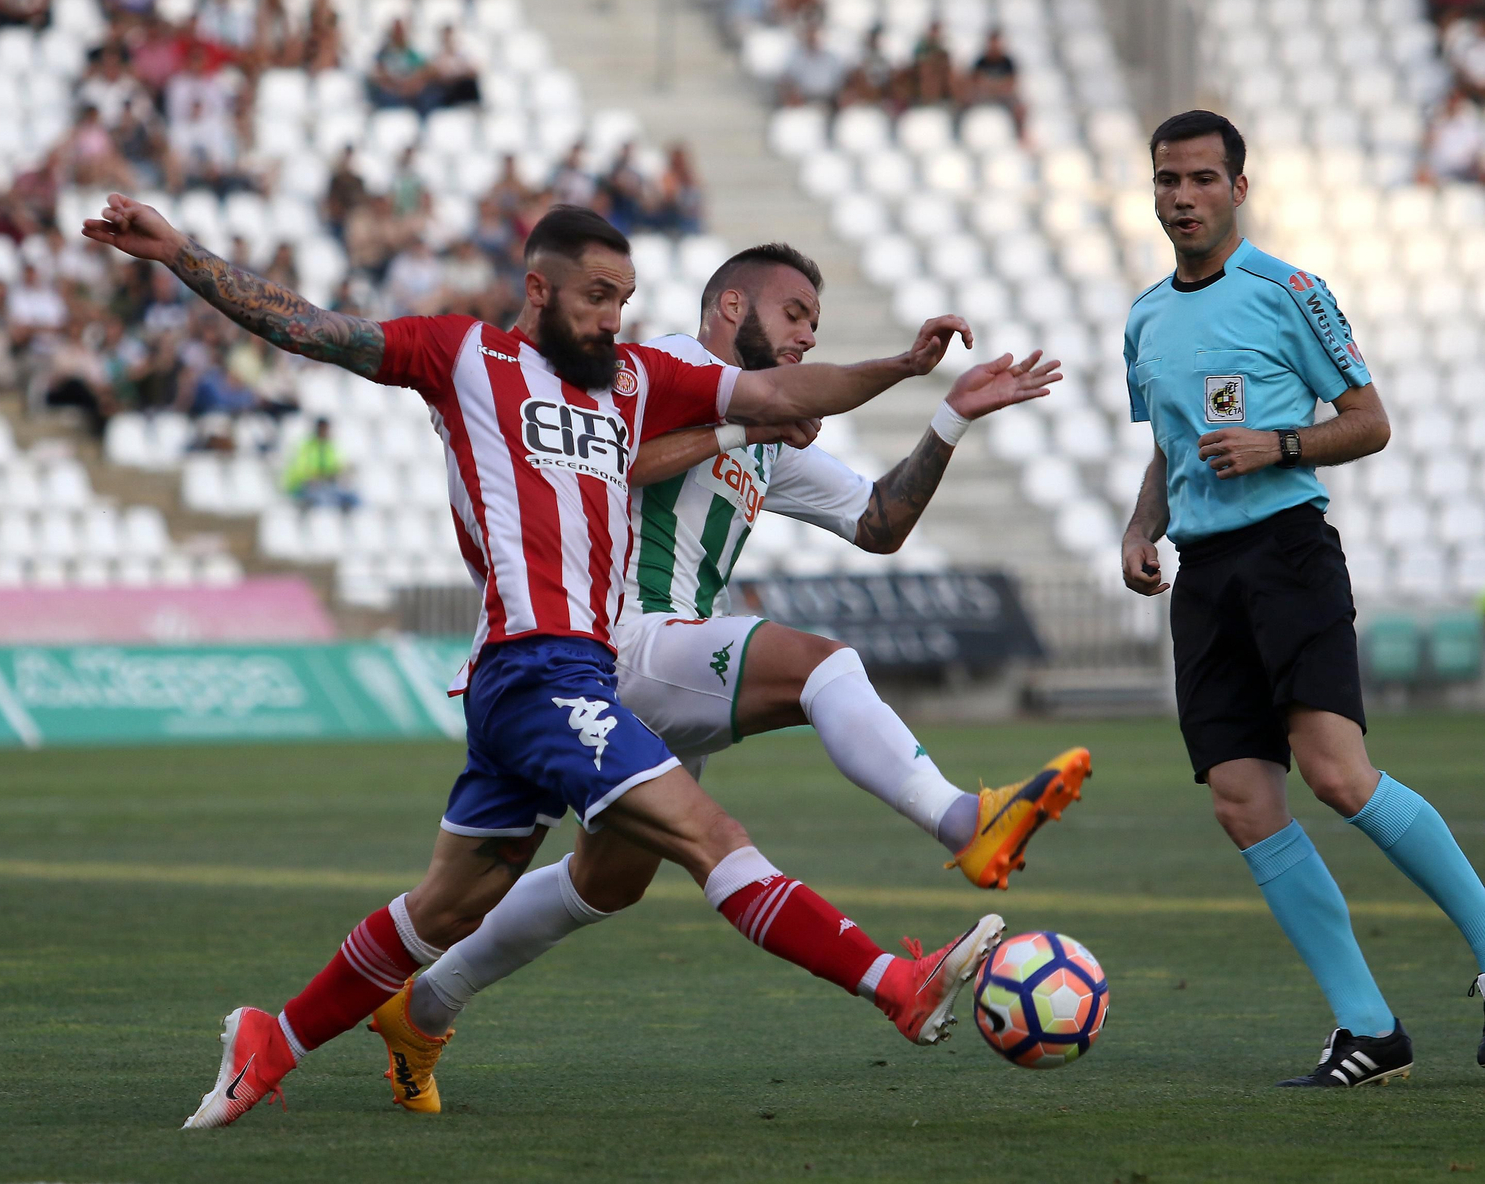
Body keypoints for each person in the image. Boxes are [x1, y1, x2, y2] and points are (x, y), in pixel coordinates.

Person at [83, 193, 996, 1129]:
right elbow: (314, 329)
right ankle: (893, 984)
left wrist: (904, 368)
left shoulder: (635, 383)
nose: (613, 318)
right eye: (597, 297)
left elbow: (779, 396)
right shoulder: (463, 356)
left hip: (557, 680)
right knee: (707, 835)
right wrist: (182, 254)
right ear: (538, 288)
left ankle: (271, 1042)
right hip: (534, 669)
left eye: (626, 299)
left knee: (440, 913)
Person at [366, 243, 1085, 1111]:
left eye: (815, 327)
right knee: (824, 664)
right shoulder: (661, 367)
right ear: (732, 307)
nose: (806, 338)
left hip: (652, 670)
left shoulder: (767, 432)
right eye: (794, 317)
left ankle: (424, 1008)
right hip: (619, 635)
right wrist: (747, 425)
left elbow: (877, 521)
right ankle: (961, 820)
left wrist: (948, 422)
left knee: (607, 884)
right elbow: (608, 461)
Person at [1120, 110, 1485, 1088]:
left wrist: (1278, 444)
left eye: (1201, 179)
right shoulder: (1145, 316)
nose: (1182, 196)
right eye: (1167, 180)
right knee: (1241, 800)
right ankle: (1368, 1028)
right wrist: (1137, 525)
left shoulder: (1289, 291)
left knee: (1336, 773)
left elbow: (1368, 423)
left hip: (1286, 555)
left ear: (1238, 189)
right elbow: (1165, 440)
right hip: (1202, 576)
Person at [284, 417, 358, 510]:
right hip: (304, 487)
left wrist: (342, 472)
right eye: (324, 429)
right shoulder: (305, 446)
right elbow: (300, 470)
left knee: (354, 498)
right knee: (325, 501)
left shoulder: (330, 447)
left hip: (326, 485)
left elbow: (336, 467)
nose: (326, 432)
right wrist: (316, 477)